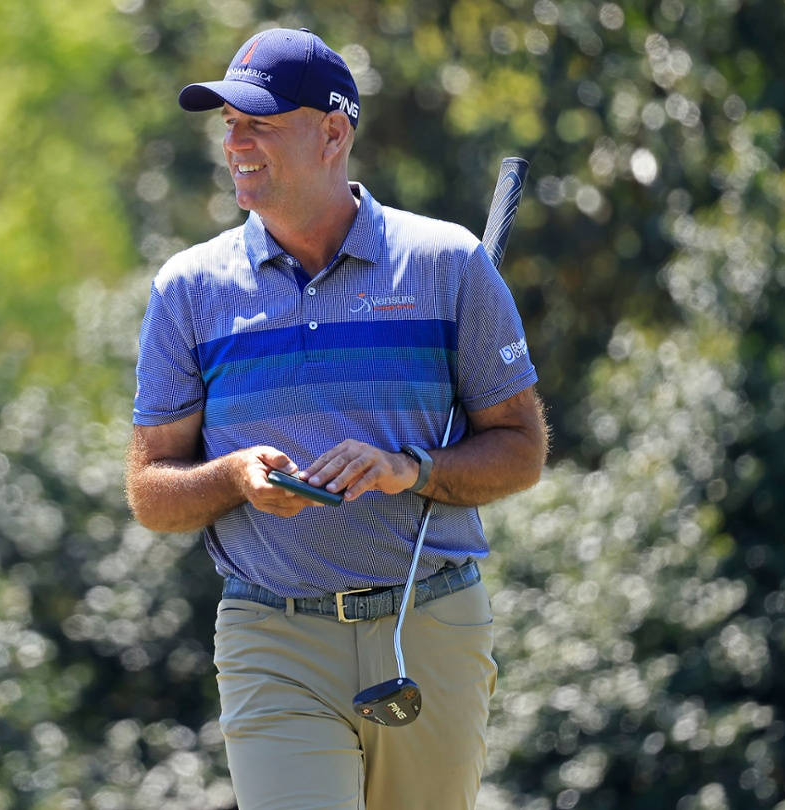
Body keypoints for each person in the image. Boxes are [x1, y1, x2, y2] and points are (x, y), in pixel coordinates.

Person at [125, 29, 548, 810]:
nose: (236, 142)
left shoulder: (447, 265)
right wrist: (233, 478)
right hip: (272, 635)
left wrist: (411, 469)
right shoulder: (188, 289)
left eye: (259, 121)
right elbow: (151, 491)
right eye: (228, 123)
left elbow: (520, 451)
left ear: (332, 131)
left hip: (430, 624)